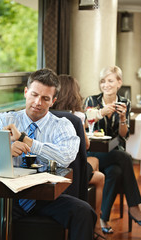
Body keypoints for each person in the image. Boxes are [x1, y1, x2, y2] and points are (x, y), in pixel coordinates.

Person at [0, 68, 97, 240]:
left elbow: (66, 156)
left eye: (45, 98)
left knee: (84, 212)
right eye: (34, 95)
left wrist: (27, 141)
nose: (37, 102)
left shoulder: (62, 125)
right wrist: (4, 150)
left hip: (47, 197)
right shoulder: (5, 120)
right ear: (26, 92)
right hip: (10, 198)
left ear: (53, 101)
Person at [84, 65, 141, 233]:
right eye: (103, 81)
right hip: (95, 154)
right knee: (125, 158)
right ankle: (134, 207)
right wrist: (101, 113)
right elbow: (85, 125)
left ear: (119, 83)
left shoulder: (124, 103)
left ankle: (102, 219)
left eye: (110, 81)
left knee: (115, 171)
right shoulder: (92, 101)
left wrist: (122, 119)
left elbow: (123, 135)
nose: (106, 85)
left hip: (114, 155)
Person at [52, 74, 105, 240]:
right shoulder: (76, 117)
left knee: (95, 167)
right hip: (72, 175)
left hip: (59, 170)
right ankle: (96, 224)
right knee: (98, 172)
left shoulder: (50, 116)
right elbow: (85, 146)